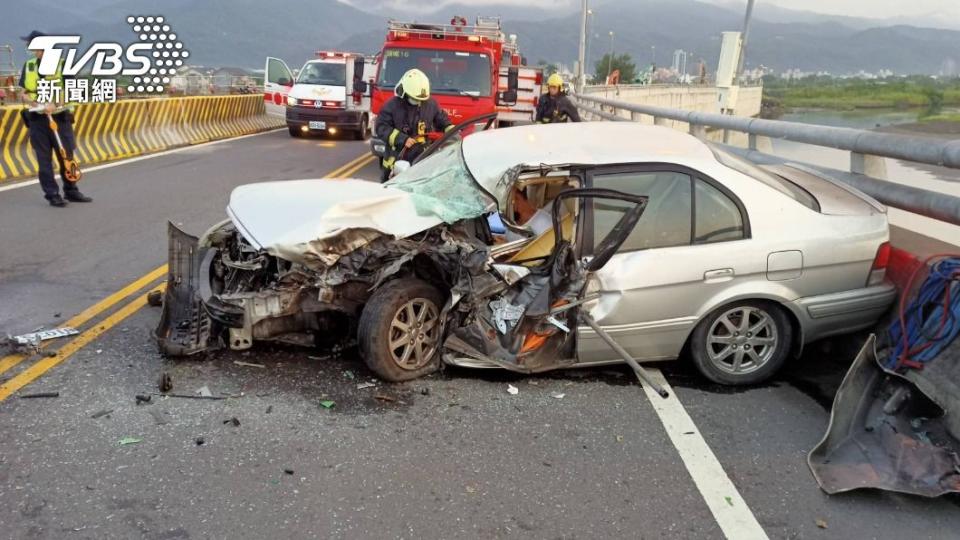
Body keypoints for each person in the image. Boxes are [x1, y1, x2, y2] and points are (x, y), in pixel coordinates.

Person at [19, 30, 91, 207]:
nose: (29, 48)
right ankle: (52, 194)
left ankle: (71, 190)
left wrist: (56, 104)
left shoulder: (63, 65)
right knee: (44, 160)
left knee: (66, 156)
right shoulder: (29, 66)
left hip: (60, 118)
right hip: (38, 120)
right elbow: (23, 92)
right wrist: (30, 100)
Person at [374, 68, 453, 182]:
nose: (418, 102)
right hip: (397, 159)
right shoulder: (392, 106)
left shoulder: (430, 104)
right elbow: (381, 127)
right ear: (404, 92)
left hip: (422, 158)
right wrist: (402, 139)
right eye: (415, 99)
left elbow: (441, 118)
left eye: (420, 99)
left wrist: (450, 128)